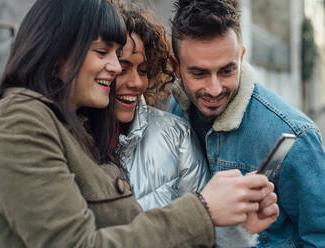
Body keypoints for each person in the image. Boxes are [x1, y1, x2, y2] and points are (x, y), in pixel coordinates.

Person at [0, 0, 277, 247]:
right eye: (103, 53)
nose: (116, 68)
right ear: (57, 50)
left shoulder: (77, 125)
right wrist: (202, 210)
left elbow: (135, 230)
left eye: (121, 57)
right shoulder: (18, 124)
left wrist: (234, 227)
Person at [168, 0, 325, 247]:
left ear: (241, 57)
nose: (215, 88)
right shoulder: (172, 113)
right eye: (199, 73)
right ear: (176, 67)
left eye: (227, 70)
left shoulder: (294, 134)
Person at [112, 3, 278, 247]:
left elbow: (207, 231)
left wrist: (239, 231)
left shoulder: (176, 134)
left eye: (144, 70)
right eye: (122, 69)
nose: (136, 82)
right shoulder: (59, 138)